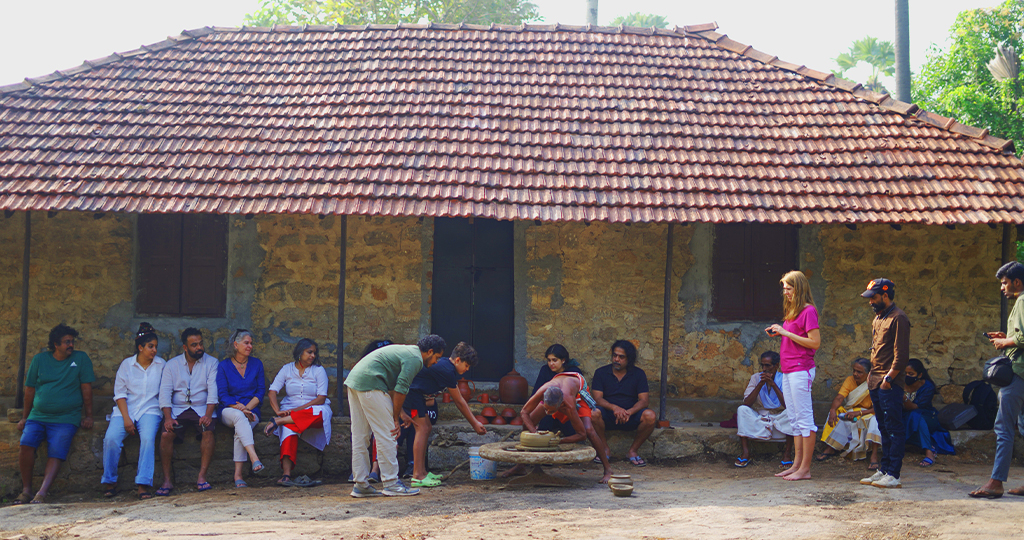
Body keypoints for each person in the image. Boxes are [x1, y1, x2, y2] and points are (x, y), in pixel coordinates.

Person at [345, 334, 447, 497]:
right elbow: (400, 390)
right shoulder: (416, 360)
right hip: (371, 383)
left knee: (360, 436)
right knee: (388, 434)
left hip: (355, 381)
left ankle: (361, 484)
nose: (436, 362)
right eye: (437, 357)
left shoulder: (408, 352)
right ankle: (392, 483)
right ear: (429, 351)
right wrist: (394, 418)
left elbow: (392, 386)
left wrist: (401, 413)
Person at [15, 324, 96, 504]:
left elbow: (86, 389)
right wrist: (25, 417)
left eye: (72, 341)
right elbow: (29, 390)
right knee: (26, 444)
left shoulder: (80, 359)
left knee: (57, 449)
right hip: (38, 416)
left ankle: (42, 493)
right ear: (56, 344)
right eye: (67, 342)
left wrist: (89, 416)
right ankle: (26, 490)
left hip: (66, 418)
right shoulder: (39, 360)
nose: (71, 345)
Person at [399, 342, 487, 487]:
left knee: (426, 427)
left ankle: (423, 472)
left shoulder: (448, 367)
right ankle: (417, 476)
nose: (467, 369)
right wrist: (475, 423)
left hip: (417, 395)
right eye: (466, 365)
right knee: (421, 428)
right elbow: (459, 401)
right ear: (457, 360)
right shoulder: (447, 371)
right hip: (411, 394)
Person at [970, 261, 1024, 498]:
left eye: (1004, 283)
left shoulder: (1022, 300)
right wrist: (1007, 336)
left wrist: (1005, 342)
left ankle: (996, 483)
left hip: (1018, 374)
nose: (1002, 288)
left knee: (1003, 428)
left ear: (1017, 282)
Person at [100, 322, 166, 500]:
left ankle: (143, 484)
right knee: (111, 439)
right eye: (150, 347)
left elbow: (165, 391)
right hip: (125, 410)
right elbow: (120, 394)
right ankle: (109, 481)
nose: (154, 351)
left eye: (155, 347)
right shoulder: (127, 365)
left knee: (147, 439)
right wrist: (126, 419)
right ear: (140, 347)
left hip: (150, 409)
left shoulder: (161, 365)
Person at [511, 370, 614, 483]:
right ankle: (521, 465)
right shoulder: (543, 391)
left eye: (551, 410)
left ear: (561, 405)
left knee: (589, 430)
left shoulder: (569, 404)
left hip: (578, 391)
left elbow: (582, 435)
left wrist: (558, 441)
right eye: (545, 408)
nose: (547, 412)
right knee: (527, 423)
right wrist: (533, 432)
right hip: (555, 393)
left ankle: (608, 470)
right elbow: (524, 412)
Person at [767, 270, 821, 481]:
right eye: (784, 289)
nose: (785, 293)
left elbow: (814, 342)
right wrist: (780, 331)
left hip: (801, 368)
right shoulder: (793, 311)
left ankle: (805, 469)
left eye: (789, 289)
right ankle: (796, 465)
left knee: (805, 420)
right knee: (795, 420)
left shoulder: (808, 311)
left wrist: (786, 333)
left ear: (798, 289)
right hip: (789, 370)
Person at [858, 278, 910, 489]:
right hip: (875, 381)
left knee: (894, 428)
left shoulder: (899, 318)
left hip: (889, 382)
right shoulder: (878, 318)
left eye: (874, 297)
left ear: (885, 296)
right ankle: (884, 469)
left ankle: (894, 474)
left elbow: (902, 355)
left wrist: (889, 379)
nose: (870, 302)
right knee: (883, 427)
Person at [157, 327, 219, 496]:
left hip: (202, 408)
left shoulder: (212, 363)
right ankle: (167, 480)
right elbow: (164, 393)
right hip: (178, 409)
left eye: (201, 343)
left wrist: (208, 415)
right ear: (185, 347)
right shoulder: (172, 365)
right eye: (194, 345)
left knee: (208, 432)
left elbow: (213, 392)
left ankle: (201, 477)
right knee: (165, 434)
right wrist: (168, 418)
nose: (199, 347)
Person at [265, 338, 333, 486]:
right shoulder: (287, 369)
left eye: (314, 353)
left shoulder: (318, 370)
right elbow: (272, 391)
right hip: (289, 409)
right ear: (299, 352)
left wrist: (292, 413)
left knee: (320, 414)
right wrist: (277, 411)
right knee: (289, 430)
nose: (312, 356)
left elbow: (321, 398)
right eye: (309, 352)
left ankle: (279, 422)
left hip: (313, 408)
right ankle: (286, 474)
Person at [592, 340, 657, 467]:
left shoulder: (638, 374)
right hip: (608, 415)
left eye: (621, 357)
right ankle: (604, 449)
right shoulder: (601, 373)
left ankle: (632, 451)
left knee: (650, 416)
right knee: (593, 413)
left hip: (630, 415)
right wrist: (615, 408)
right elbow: (597, 399)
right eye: (615, 355)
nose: (617, 359)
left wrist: (629, 412)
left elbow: (644, 400)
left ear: (629, 359)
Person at [217, 329, 266, 488]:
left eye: (251, 343)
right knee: (240, 418)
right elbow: (223, 395)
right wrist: (240, 408)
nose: (250, 346)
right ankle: (254, 457)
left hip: (252, 411)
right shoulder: (223, 366)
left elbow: (260, 391)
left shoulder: (256, 364)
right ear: (236, 344)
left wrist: (247, 409)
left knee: (241, 426)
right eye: (246, 343)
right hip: (229, 409)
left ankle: (238, 475)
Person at [817, 358, 881, 468]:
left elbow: (878, 408)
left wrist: (860, 413)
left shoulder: (874, 384)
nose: (855, 374)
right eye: (854, 370)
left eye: (859, 372)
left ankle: (874, 456)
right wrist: (832, 410)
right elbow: (840, 397)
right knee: (841, 415)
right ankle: (832, 448)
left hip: (868, 413)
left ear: (868, 374)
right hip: (852, 412)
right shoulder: (850, 380)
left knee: (876, 421)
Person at [734, 351, 795, 468]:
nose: (764, 369)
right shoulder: (756, 378)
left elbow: (788, 405)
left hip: (779, 419)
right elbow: (747, 403)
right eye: (762, 365)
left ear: (776, 365)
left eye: (768, 365)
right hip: (760, 419)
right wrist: (760, 384)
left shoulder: (784, 379)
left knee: (792, 412)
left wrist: (773, 384)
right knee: (742, 410)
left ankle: (787, 454)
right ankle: (746, 453)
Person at [533, 344, 585, 437]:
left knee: (570, 427)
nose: (551, 364)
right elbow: (536, 393)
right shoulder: (545, 370)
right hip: (549, 409)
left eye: (554, 360)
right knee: (544, 425)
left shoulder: (573, 372)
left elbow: (577, 396)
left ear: (563, 360)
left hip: (567, 409)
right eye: (549, 360)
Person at [903, 358, 947, 467]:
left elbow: (914, 407)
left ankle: (929, 452)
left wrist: (903, 398)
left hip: (927, 417)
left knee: (916, 416)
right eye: (905, 373)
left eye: (911, 373)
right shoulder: (899, 384)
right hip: (905, 416)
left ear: (919, 375)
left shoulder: (927, 387)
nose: (907, 376)